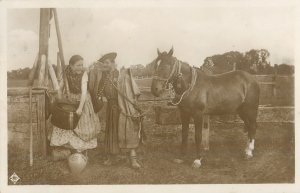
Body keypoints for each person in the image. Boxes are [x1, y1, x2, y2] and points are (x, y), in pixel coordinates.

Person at [89, 52, 142, 169]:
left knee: (127, 129)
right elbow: (99, 92)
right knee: (112, 131)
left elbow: (132, 90)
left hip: (124, 106)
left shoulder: (121, 75)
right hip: (111, 108)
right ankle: (112, 156)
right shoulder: (103, 77)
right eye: (104, 63)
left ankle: (133, 158)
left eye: (108, 63)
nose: (106, 65)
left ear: (113, 63)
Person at [49, 55, 101, 153]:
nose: (80, 67)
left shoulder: (84, 74)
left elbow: (84, 92)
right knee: (66, 120)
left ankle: (80, 149)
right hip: (70, 98)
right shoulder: (65, 73)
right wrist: (57, 94)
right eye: (77, 65)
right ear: (71, 65)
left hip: (83, 99)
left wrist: (80, 108)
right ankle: (67, 147)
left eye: (81, 65)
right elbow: (60, 87)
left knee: (82, 124)